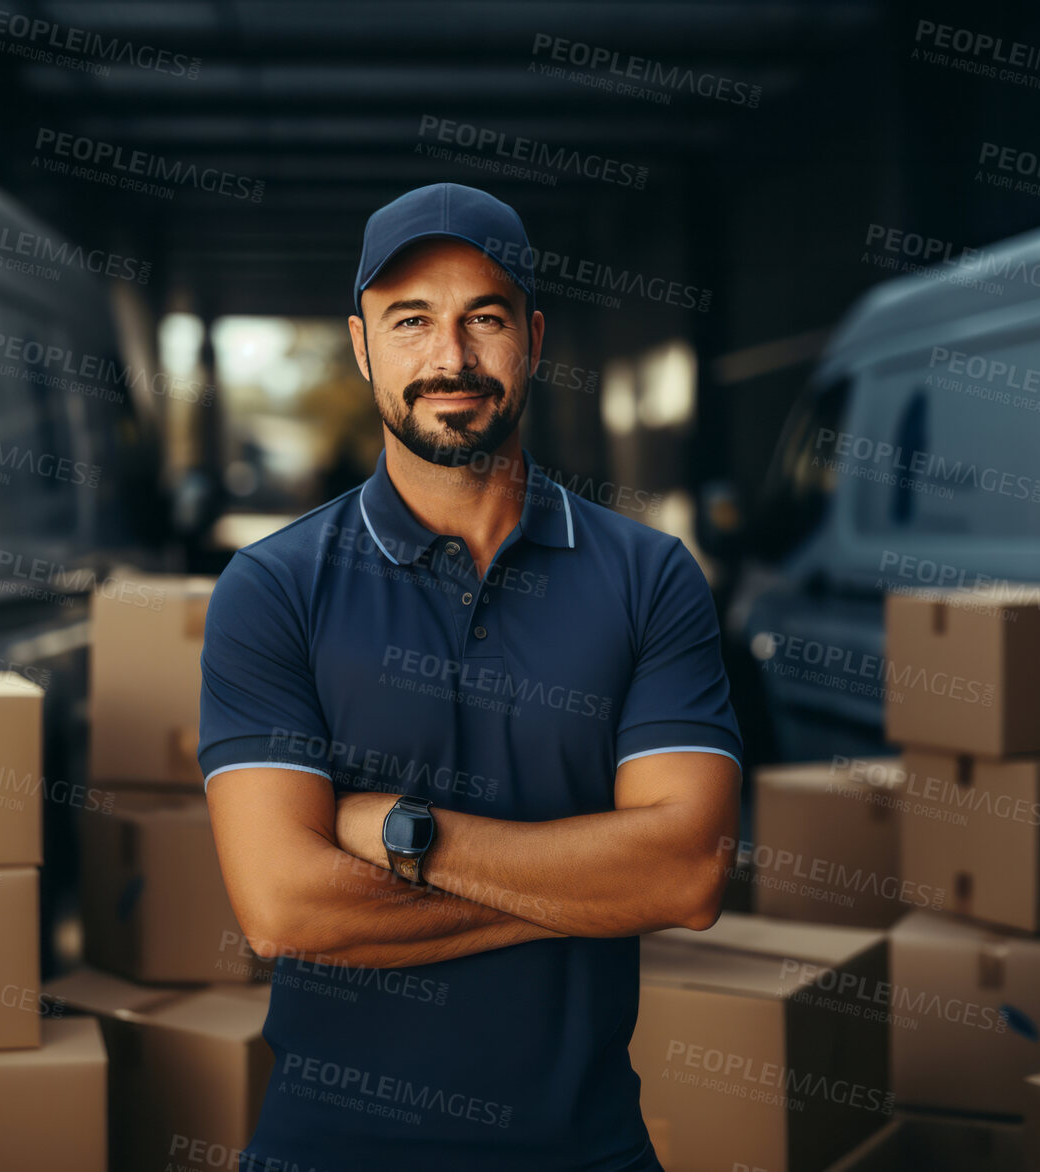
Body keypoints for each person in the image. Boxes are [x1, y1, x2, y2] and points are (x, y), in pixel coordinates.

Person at [198, 181, 743, 1172]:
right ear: (361, 346)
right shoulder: (272, 587)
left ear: (531, 337)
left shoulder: (646, 575)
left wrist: (401, 836)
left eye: (482, 317)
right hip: (329, 1147)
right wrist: (588, 883)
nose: (449, 358)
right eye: (410, 322)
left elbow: (687, 873)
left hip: (584, 1147)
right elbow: (283, 905)